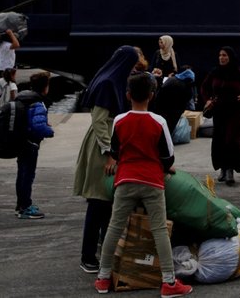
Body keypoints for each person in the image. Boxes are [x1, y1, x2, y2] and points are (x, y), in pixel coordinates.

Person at [94, 71, 193, 297]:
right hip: (152, 181)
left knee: (114, 227)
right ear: (152, 95)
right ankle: (168, 282)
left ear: (128, 95)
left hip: (126, 179)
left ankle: (103, 278)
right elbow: (168, 157)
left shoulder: (119, 120)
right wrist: (164, 167)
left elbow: (116, 152)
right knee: (159, 230)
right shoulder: (158, 122)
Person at [74, 45, 147, 273]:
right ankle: (87, 256)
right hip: (101, 149)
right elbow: (99, 121)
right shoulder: (108, 84)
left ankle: (103, 247)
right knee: (98, 201)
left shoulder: (108, 79)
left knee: (106, 202)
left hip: (105, 144)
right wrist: (109, 154)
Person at [200, 47, 240, 185]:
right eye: (220, 55)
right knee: (219, 139)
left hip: (235, 112)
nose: (221, 58)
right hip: (219, 112)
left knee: (232, 140)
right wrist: (207, 99)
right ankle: (223, 169)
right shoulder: (215, 73)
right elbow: (204, 87)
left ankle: (230, 170)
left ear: (230, 57)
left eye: (224, 55)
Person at [16, 71, 55, 219]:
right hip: (31, 144)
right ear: (45, 87)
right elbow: (38, 126)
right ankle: (25, 207)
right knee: (28, 175)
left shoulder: (24, 97)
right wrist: (49, 131)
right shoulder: (38, 102)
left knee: (22, 174)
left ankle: (20, 205)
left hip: (20, 140)